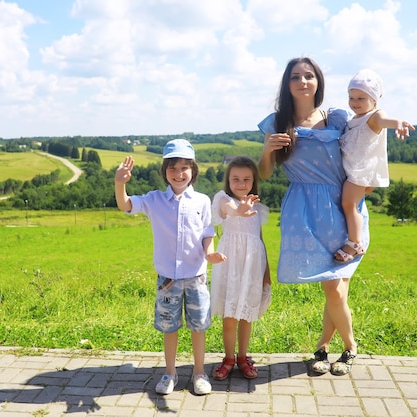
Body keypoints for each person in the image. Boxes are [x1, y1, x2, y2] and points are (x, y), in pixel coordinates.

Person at [257, 57, 367, 376]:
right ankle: (336, 348)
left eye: (309, 76)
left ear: (318, 81)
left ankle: (339, 347)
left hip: (342, 205)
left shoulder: (336, 117)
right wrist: (267, 151)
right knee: (332, 285)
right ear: (287, 84)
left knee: (335, 288)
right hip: (303, 210)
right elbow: (264, 173)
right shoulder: (276, 123)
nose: (303, 81)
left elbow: (362, 147)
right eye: (296, 77)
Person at [114, 139, 226, 395]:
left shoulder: (201, 201)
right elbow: (125, 204)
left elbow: (207, 233)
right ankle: (170, 373)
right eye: (172, 168)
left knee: (198, 327)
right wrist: (120, 183)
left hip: (196, 277)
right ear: (165, 171)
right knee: (170, 327)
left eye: (184, 167)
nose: (178, 173)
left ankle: (199, 373)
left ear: (193, 170)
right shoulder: (154, 200)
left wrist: (210, 254)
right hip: (168, 279)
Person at [335, 69, 415, 263]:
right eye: (351, 97)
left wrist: (398, 123)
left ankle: (355, 243)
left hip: (359, 172)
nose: (355, 102)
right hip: (351, 170)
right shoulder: (353, 119)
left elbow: (384, 120)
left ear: (374, 99)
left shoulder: (374, 116)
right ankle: (354, 239)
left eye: (361, 98)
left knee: (349, 204)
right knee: (348, 204)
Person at [210, 156, 271, 381]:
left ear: (254, 181)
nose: (241, 183)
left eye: (246, 179)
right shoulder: (223, 200)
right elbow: (230, 210)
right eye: (235, 179)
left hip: (253, 267)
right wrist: (240, 210)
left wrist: (267, 273)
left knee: (247, 315)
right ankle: (228, 358)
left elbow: (260, 240)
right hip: (230, 267)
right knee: (229, 316)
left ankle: (243, 357)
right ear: (228, 180)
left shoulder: (259, 209)